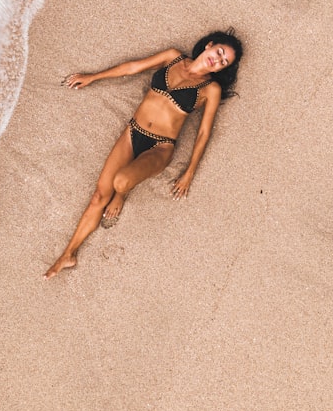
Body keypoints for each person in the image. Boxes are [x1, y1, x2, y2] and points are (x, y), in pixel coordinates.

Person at [44, 30, 243, 279]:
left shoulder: (210, 89)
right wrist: (94, 77)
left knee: (120, 182)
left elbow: (203, 132)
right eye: (220, 52)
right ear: (210, 45)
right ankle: (68, 255)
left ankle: (122, 195)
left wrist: (189, 173)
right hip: (132, 132)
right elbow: (133, 67)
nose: (219, 59)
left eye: (224, 62)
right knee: (98, 196)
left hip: (161, 146)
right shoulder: (172, 57)